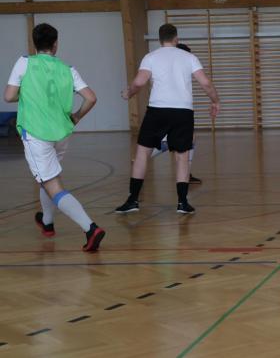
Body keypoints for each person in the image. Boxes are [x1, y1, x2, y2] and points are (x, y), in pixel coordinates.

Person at [4, 23, 105, 251]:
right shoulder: (68, 69)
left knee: (52, 184)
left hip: (36, 133)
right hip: (61, 133)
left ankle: (90, 228)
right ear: (56, 44)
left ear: (34, 44)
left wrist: (27, 92)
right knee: (48, 177)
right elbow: (91, 98)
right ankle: (47, 223)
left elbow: (9, 96)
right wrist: (77, 117)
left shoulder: (25, 62)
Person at [115, 24, 220, 215]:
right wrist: (215, 101)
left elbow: (139, 82)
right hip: (183, 112)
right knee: (182, 156)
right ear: (176, 38)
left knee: (142, 154)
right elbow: (205, 83)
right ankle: (182, 203)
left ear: (159, 39)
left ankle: (132, 200)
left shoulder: (151, 57)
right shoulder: (189, 57)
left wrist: (128, 93)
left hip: (157, 110)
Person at [149, 43, 201, 184]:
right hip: (171, 110)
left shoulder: (169, 65)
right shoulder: (173, 67)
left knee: (189, 138)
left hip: (169, 109)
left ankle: (186, 174)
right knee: (181, 141)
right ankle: (144, 157)